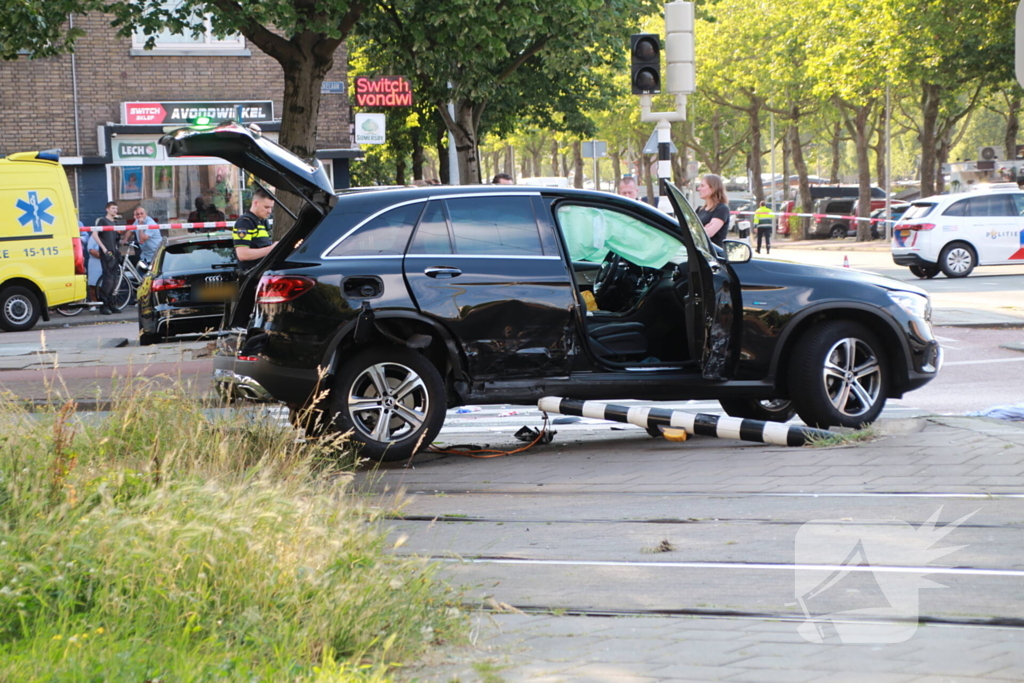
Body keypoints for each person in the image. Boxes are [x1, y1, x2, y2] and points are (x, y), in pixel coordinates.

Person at [233, 188, 277, 274]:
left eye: (271, 208)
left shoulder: (262, 221)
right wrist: (272, 249)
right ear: (256, 203)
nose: (269, 211)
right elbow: (243, 255)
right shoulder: (245, 222)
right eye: (266, 207)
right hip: (252, 275)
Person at [94, 201, 122, 314]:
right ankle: (104, 305)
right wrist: (104, 249)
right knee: (108, 279)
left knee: (115, 279)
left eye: (116, 208)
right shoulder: (103, 221)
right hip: (108, 253)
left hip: (114, 252)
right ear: (107, 209)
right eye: (113, 208)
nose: (115, 210)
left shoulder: (114, 223)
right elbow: (94, 234)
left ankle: (111, 304)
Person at [696, 174, 731, 248]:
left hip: (713, 255)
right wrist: (703, 228)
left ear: (713, 188)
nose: (698, 189)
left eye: (702, 186)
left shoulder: (722, 209)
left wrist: (699, 229)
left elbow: (709, 233)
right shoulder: (699, 209)